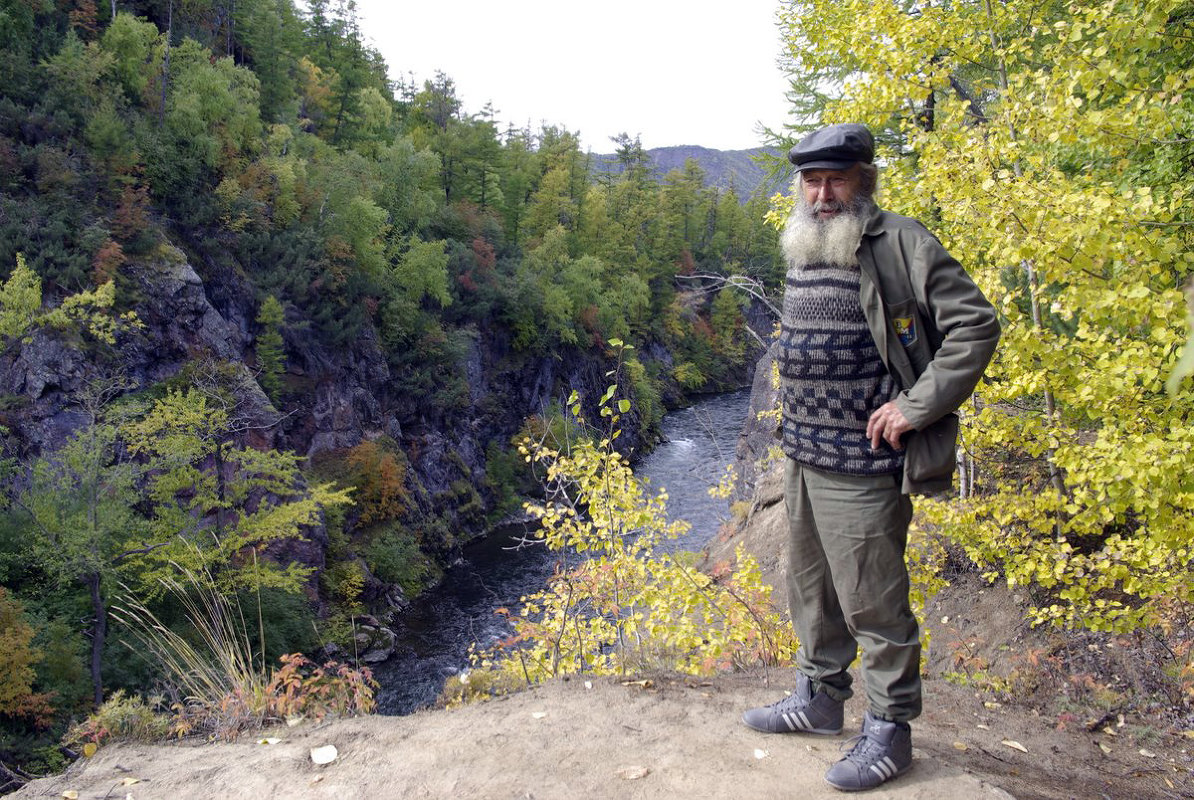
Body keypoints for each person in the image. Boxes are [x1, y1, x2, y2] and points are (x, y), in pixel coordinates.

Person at [741, 123, 1000, 792]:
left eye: (836, 179)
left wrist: (917, 407)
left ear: (863, 181)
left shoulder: (900, 241)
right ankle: (820, 698)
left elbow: (975, 324)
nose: (822, 193)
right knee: (811, 586)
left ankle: (890, 732)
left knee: (873, 598)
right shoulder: (802, 242)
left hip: (863, 460)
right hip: (800, 451)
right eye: (811, 180)